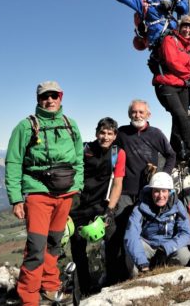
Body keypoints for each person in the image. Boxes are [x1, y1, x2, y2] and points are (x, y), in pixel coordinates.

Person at [4, 81, 84, 305]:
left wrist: (77, 185)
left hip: (65, 193)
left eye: (54, 96)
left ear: (61, 97)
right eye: (44, 96)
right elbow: (13, 162)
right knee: (36, 248)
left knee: (55, 244)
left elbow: (78, 157)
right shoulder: (26, 126)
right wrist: (16, 198)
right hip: (38, 193)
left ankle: (49, 287)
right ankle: (29, 298)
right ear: (38, 100)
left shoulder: (70, 124)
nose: (49, 100)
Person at [108, 99, 176, 283]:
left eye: (141, 112)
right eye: (134, 112)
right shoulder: (121, 133)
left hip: (147, 193)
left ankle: (144, 268)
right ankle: (118, 275)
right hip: (124, 192)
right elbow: (111, 151)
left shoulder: (156, 134)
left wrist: (162, 177)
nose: (137, 115)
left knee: (143, 232)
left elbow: (171, 155)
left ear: (148, 115)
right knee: (120, 231)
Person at [68, 117, 125, 295]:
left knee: (112, 242)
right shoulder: (85, 150)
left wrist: (110, 211)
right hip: (79, 207)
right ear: (96, 133)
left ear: (115, 135)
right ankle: (84, 288)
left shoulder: (118, 153)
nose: (105, 137)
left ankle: (112, 282)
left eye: (109, 133)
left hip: (102, 205)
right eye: (102, 132)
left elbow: (117, 183)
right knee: (77, 249)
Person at [124, 172, 190, 275]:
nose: (160, 196)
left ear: (169, 192)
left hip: (169, 245)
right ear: (151, 191)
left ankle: (168, 275)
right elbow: (131, 234)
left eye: (164, 191)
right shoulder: (140, 207)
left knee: (183, 255)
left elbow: (186, 234)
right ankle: (139, 279)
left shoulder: (178, 206)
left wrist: (165, 249)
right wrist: (142, 262)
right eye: (156, 191)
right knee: (132, 255)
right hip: (148, 244)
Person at [153, 15, 190, 162]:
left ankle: (174, 155)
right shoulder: (170, 40)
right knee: (181, 115)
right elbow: (171, 62)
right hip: (166, 84)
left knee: (178, 120)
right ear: (179, 27)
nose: (187, 30)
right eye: (185, 26)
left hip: (183, 86)